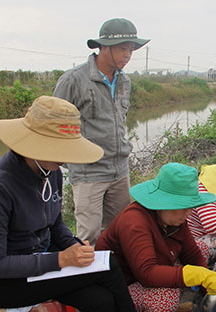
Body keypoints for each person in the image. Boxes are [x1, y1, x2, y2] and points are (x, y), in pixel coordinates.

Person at [0, 96, 136, 312]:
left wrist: (73, 245)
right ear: (35, 144)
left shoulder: (51, 172)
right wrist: (60, 259)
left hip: (43, 257)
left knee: (100, 300)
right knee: (110, 268)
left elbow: (55, 223)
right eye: (59, 150)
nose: (64, 159)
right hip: (9, 280)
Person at [53, 18, 150, 245]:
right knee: (89, 237)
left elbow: (121, 122)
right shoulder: (74, 80)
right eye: (123, 48)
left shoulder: (124, 81)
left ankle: (117, 277)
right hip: (89, 174)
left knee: (122, 230)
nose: (128, 55)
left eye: (131, 50)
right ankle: (87, 279)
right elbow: (54, 125)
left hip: (119, 171)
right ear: (104, 46)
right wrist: (72, 162)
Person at [95, 163, 216, 312]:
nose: (188, 212)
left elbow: (192, 255)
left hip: (158, 263)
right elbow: (147, 274)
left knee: (201, 251)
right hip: (124, 286)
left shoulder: (174, 217)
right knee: (165, 298)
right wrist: (195, 275)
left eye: (191, 206)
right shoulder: (134, 222)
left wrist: (207, 291)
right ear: (163, 202)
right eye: (183, 206)